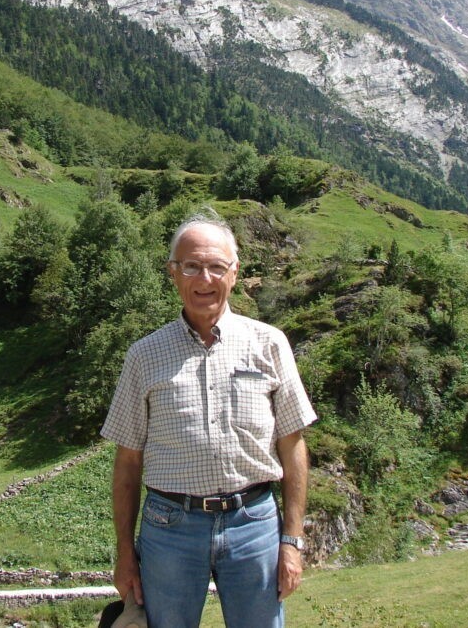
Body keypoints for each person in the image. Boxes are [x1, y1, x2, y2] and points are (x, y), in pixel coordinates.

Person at [102, 213, 317, 628]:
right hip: (169, 530)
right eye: (192, 266)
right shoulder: (144, 356)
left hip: (254, 524)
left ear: (234, 273)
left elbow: (293, 446)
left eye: (217, 266)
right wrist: (125, 552)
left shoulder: (269, 343)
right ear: (173, 273)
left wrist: (291, 541)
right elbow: (128, 461)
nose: (205, 278)